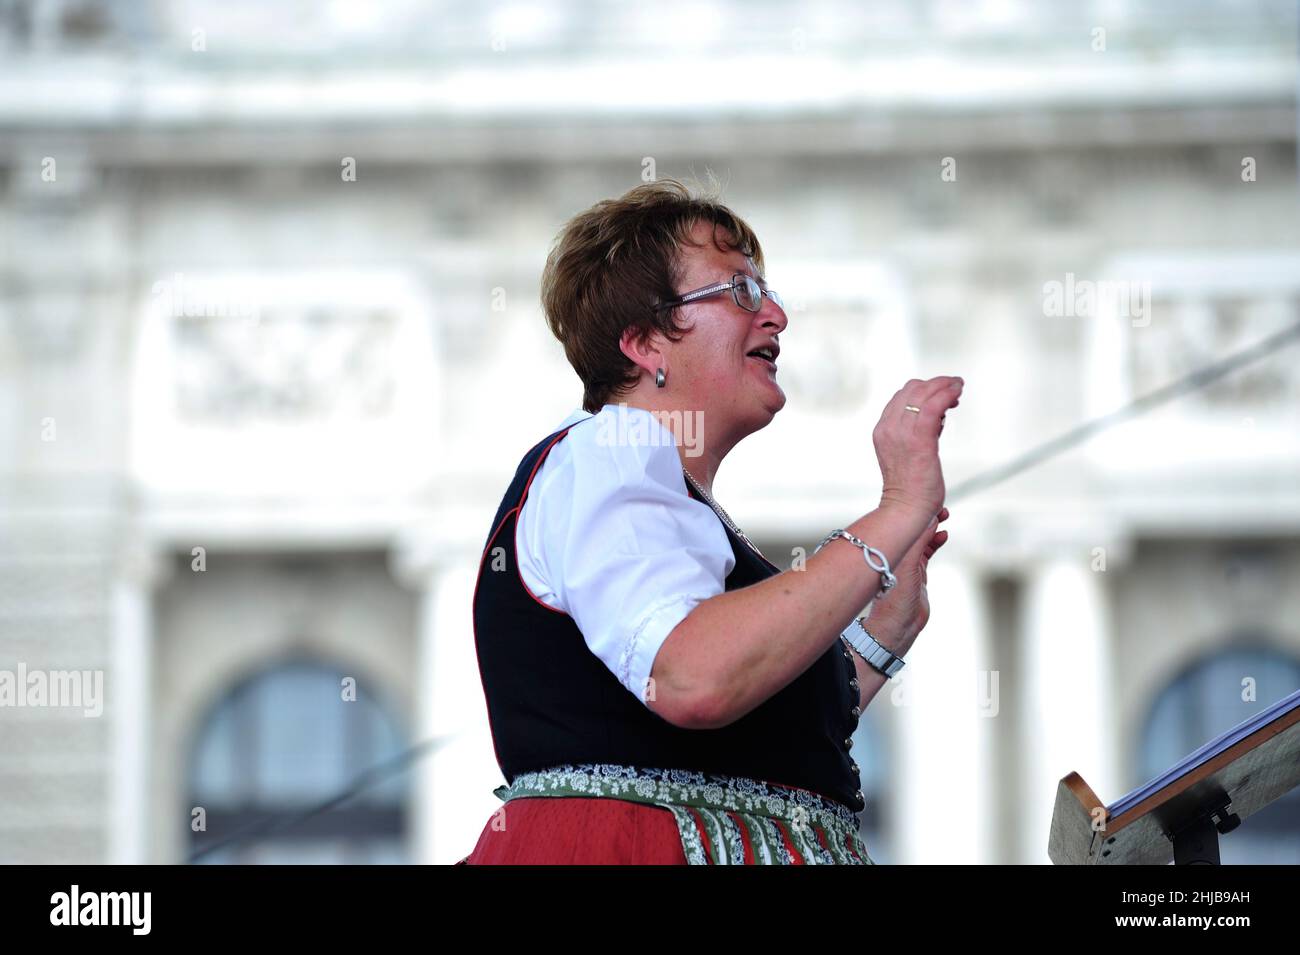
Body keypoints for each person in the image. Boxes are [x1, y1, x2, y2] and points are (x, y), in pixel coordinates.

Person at [458, 179, 963, 864]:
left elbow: (757, 731)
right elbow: (694, 678)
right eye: (741, 292)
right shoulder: (609, 451)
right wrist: (896, 508)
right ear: (644, 343)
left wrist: (885, 631)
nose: (776, 314)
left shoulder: (669, 498)